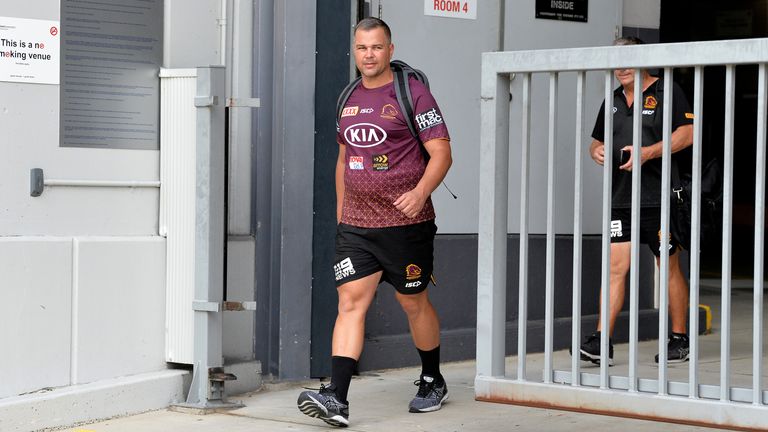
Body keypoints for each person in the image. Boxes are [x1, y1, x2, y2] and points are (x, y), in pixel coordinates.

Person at [297, 17, 452, 427]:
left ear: (390, 49)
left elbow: (441, 152)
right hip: (357, 227)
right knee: (350, 303)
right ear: (355, 50)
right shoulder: (347, 97)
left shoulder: (411, 93)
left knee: (412, 303)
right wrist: (341, 210)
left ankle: (433, 378)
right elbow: (345, 157)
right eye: (362, 48)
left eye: (377, 47)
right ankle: (337, 398)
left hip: (406, 225)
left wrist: (419, 193)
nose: (369, 55)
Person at [578, 36, 694, 366]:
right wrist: (595, 151)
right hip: (621, 199)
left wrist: (648, 153)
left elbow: (688, 134)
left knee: (667, 266)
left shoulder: (667, 91)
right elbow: (597, 140)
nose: (622, 67)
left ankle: (679, 338)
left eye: (629, 59)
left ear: (644, 59)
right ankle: (601, 341)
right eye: (617, 61)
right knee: (615, 268)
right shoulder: (613, 99)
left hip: (661, 199)